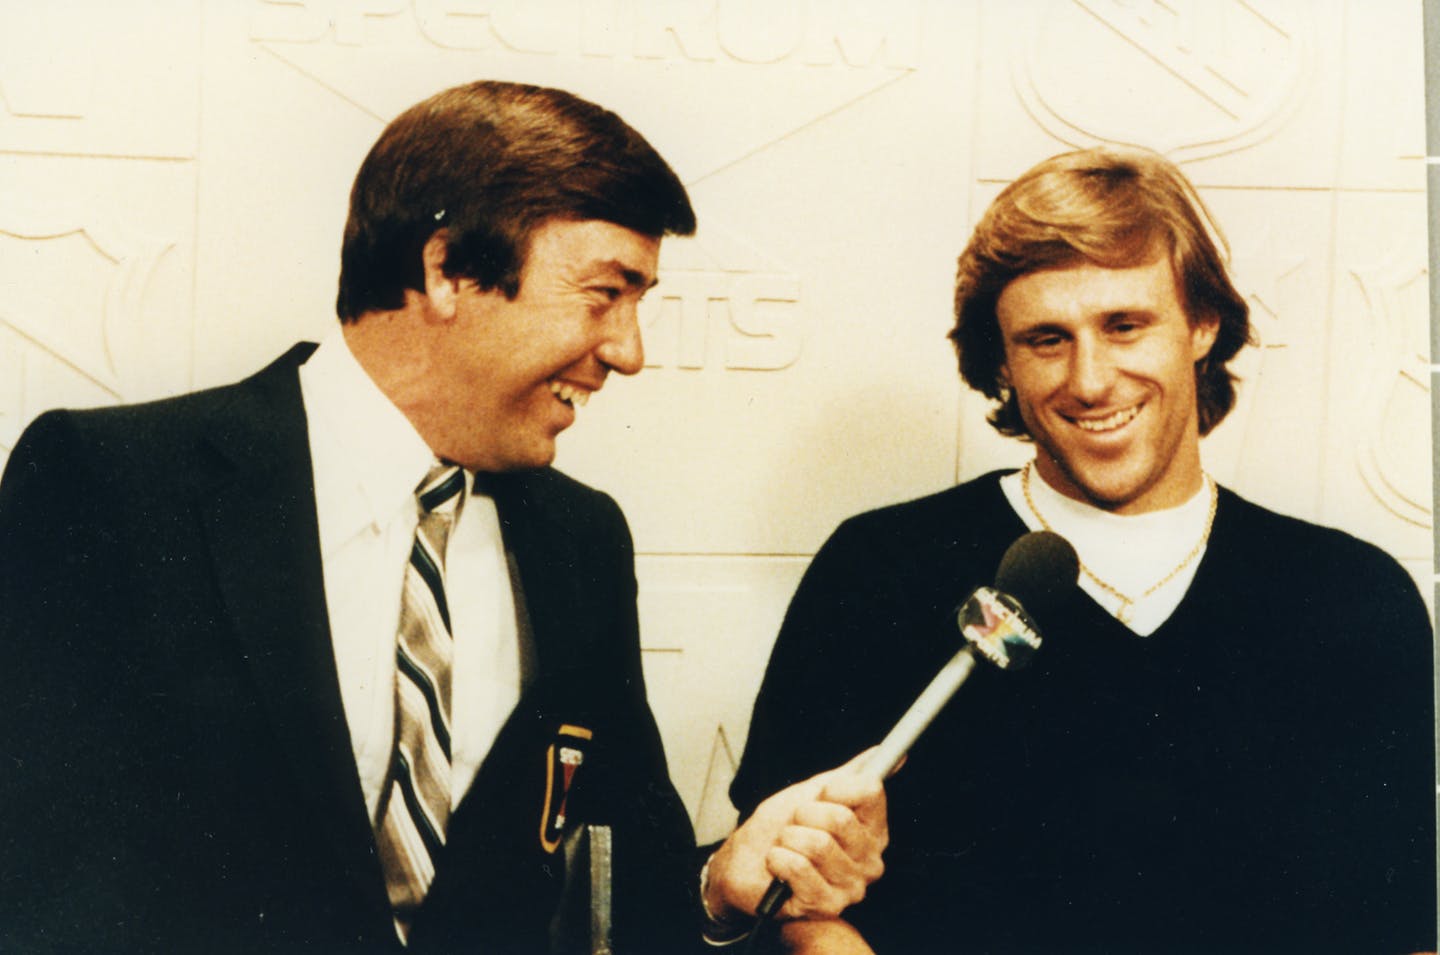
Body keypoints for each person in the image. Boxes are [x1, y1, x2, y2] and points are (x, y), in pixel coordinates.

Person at [0, 80, 885, 954]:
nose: (629, 350)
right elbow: (35, 877)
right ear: (448, 269)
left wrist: (724, 884)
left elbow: (625, 877)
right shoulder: (111, 485)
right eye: (606, 292)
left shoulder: (581, 541)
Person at [728, 147, 1437, 954]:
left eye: (1125, 325)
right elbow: (796, 900)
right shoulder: (878, 567)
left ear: (1202, 325)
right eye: (1045, 339)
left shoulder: (1351, 596)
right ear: (999, 361)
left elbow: (1405, 919)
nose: (1091, 380)